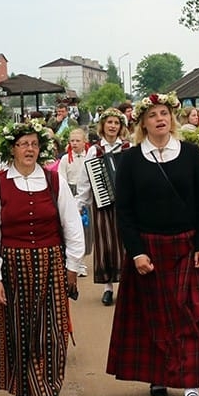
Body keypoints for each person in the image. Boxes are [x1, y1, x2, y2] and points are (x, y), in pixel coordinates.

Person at [0, 119, 85, 396]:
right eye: (23, 144)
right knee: (16, 327)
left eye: (34, 144)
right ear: (13, 149)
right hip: (12, 265)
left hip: (50, 263)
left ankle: (50, 395)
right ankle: (22, 384)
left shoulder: (53, 181)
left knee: (51, 331)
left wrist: (72, 266)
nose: (29, 149)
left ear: (41, 148)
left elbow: (72, 224)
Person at [107, 91, 199, 396]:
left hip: (186, 246)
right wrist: (136, 251)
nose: (160, 119)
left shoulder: (192, 154)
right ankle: (159, 375)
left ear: (173, 118)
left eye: (164, 113)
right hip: (149, 248)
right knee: (155, 316)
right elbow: (123, 211)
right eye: (153, 114)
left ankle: (191, 385)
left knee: (190, 312)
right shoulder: (130, 160)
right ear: (142, 122)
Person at [77, 108, 131, 305]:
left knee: (125, 244)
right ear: (103, 125)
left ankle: (126, 286)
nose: (113, 126)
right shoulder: (94, 150)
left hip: (125, 204)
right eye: (109, 122)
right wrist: (81, 203)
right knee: (106, 245)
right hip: (103, 203)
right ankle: (108, 288)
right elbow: (85, 180)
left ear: (121, 127)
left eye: (116, 123)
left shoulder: (127, 148)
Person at [56, 127, 91, 274]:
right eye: (72, 141)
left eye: (78, 141)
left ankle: (81, 262)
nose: (75, 143)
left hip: (86, 192)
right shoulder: (65, 159)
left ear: (85, 142)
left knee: (85, 228)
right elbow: (61, 177)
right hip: (70, 191)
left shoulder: (89, 155)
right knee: (70, 228)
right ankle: (70, 262)